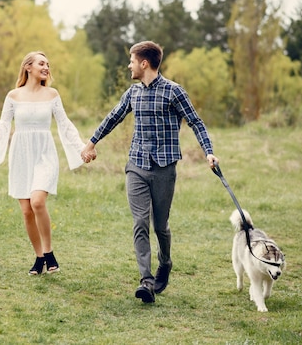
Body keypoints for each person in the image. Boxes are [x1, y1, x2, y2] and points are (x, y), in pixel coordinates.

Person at [80, 40, 219, 303]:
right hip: (136, 166)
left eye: (132, 61)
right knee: (140, 222)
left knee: (161, 226)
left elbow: (196, 123)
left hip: (164, 168)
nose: (129, 65)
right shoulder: (132, 93)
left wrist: (208, 152)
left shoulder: (174, 92)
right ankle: (146, 281)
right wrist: (91, 142)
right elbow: (113, 117)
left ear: (144, 63)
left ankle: (165, 262)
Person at [0, 51, 85, 275]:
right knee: (26, 211)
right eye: (41, 63)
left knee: (38, 202)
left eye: (48, 64)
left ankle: (49, 252)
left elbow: (65, 124)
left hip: (44, 153)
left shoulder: (52, 94)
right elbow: (3, 124)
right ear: (28, 67)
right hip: (21, 155)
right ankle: (39, 257)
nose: (46, 67)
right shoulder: (14, 96)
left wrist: (82, 148)